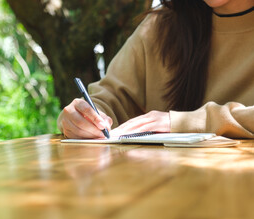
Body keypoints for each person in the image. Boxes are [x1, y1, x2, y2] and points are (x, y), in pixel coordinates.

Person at [57, 0, 254, 139]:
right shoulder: (161, 26)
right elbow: (110, 98)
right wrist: (84, 117)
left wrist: (182, 123)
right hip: (164, 190)